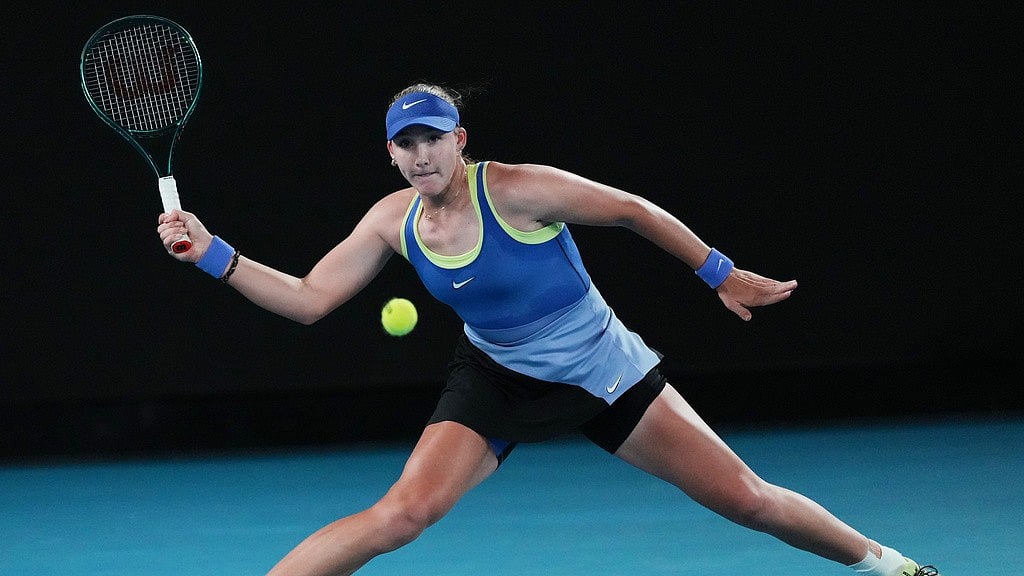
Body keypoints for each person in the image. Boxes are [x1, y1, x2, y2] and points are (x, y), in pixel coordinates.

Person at [157, 83, 940, 576]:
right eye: (406, 143)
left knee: (749, 501)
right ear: (391, 155)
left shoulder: (522, 191)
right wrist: (209, 253)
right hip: (496, 375)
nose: (421, 153)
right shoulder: (392, 222)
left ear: (459, 139)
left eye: (434, 137)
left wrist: (718, 271)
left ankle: (895, 567)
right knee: (402, 515)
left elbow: (633, 210)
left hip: (602, 368)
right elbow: (306, 299)